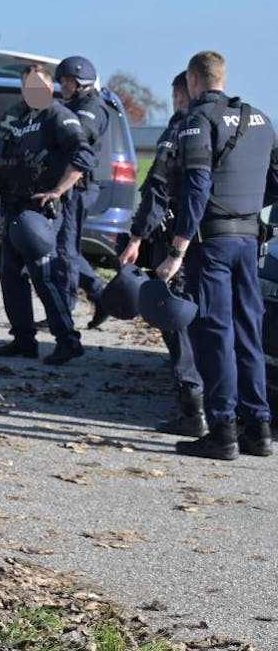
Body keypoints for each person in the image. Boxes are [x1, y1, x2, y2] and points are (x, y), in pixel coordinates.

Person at [153, 50, 278, 460]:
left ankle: (222, 432)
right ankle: (258, 429)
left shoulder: (197, 121)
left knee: (216, 336)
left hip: (213, 245)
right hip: (249, 241)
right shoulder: (260, 119)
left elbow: (196, 188)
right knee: (249, 334)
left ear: (192, 81)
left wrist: (177, 248)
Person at [118, 72, 203, 436]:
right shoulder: (227, 126)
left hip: (177, 244)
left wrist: (137, 236)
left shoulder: (182, 130)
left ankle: (192, 409)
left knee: (176, 321)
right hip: (222, 244)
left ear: (182, 93)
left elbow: (157, 189)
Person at [0, 63, 85, 363]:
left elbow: (83, 156)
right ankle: (23, 340)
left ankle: (68, 340)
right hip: (13, 208)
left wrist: (57, 191)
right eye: (26, 86)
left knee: (44, 277)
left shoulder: (58, 116)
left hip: (40, 212)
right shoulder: (18, 118)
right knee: (11, 275)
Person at [34, 55, 108, 327]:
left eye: (68, 81)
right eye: (62, 80)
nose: (63, 85)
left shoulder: (90, 108)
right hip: (67, 185)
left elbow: (79, 143)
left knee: (65, 247)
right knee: (64, 247)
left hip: (77, 185)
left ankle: (64, 311)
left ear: (82, 83)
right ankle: (99, 293)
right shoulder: (72, 104)